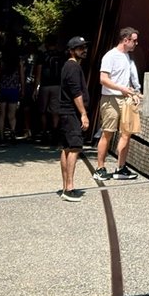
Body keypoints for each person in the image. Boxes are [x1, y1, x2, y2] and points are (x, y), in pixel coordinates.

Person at [93, 28, 142, 185]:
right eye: (134, 40)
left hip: (125, 99)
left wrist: (134, 94)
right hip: (110, 99)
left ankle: (121, 167)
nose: (136, 43)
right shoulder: (110, 56)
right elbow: (103, 79)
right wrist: (122, 89)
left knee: (126, 133)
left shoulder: (127, 57)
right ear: (125, 40)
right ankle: (100, 168)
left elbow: (128, 80)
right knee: (108, 132)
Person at [58, 36, 91, 201]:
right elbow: (76, 93)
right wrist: (83, 114)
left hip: (66, 112)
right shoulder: (72, 68)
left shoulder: (70, 67)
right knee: (75, 147)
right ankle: (69, 188)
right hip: (71, 113)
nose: (83, 50)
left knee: (66, 147)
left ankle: (66, 186)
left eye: (84, 47)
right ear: (71, 51)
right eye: (79, 48)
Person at [36, 37, 64, 147]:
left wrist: (36, 87)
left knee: (43, 110)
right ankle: (55, 132)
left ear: (47, 44)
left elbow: (38, 72)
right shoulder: (60, 55)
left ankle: (44, 133)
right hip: (57, 86)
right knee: (55, 111)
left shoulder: (43, 56)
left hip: (45, 85)